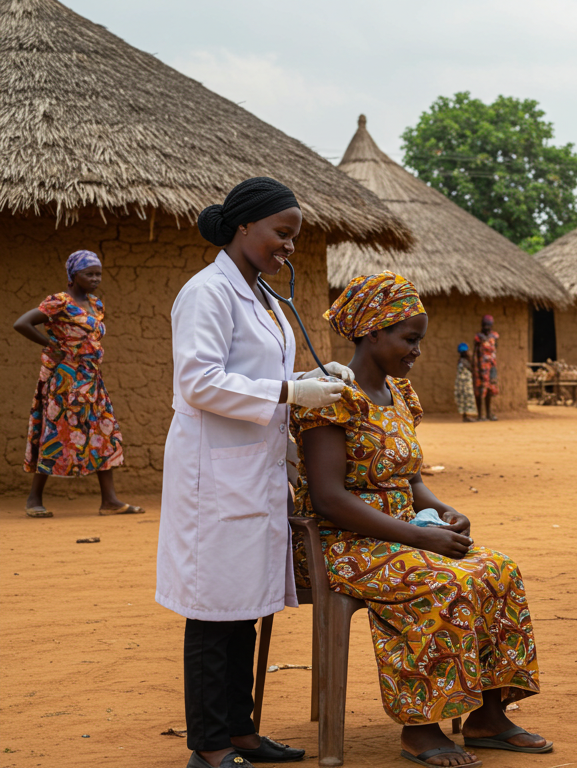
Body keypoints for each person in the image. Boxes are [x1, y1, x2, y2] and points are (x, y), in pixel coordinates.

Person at [294, 272, 548, 767]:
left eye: (419, 340)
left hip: (404, 534)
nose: (416, 351)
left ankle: (486, 717)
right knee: (438, 582)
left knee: (498, 570)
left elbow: (408, 481)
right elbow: (327, 498)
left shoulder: (400, 395)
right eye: (409, 339)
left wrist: (443, 510)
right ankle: (421, 726)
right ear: (373, 332)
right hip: (341, 543)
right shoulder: (331, 398)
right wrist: (418, 538)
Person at [156, 177, 353, 768]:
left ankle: (241, 733)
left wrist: (319, 377)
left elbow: (261, 371)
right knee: (214, 614)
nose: (289, 246)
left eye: (294, 236)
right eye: (281, 233)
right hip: (211, 476)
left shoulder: (263, 296)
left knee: (244, 608)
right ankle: (211, 749)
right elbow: (198, 381)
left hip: (251, 471)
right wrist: (293, 390)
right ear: (244, 226)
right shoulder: (207, 293)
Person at [13, 249, 140, 517]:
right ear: (73, 275)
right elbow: (21, 323)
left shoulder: (96, 304)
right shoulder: (58, 302)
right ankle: (33, 499)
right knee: (55, 433)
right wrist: (52, 345)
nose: (95, 278)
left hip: (92, 380)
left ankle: (110, 501)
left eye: (98, 274)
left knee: (104, 432)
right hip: (66, 381)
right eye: (89, 274)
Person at [473, 314, 498, 421]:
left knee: (489, 391)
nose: (486, 327)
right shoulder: (478, 337)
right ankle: (480, 415)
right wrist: (474, 365)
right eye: (485, 325)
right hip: (480, 367)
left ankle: (488, 413)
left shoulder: (495, 336)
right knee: (479, 391)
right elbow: (475, 352)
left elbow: (495, 350)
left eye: (488, 325)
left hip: (491, 367)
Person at [455, 342, 477, 422]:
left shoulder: (462, 361)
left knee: (466, 399)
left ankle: (467, 416)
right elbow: (471, 369)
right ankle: (466, 416)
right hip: (464, 384)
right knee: (466, 399)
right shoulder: (463, 361)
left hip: (464, 384)